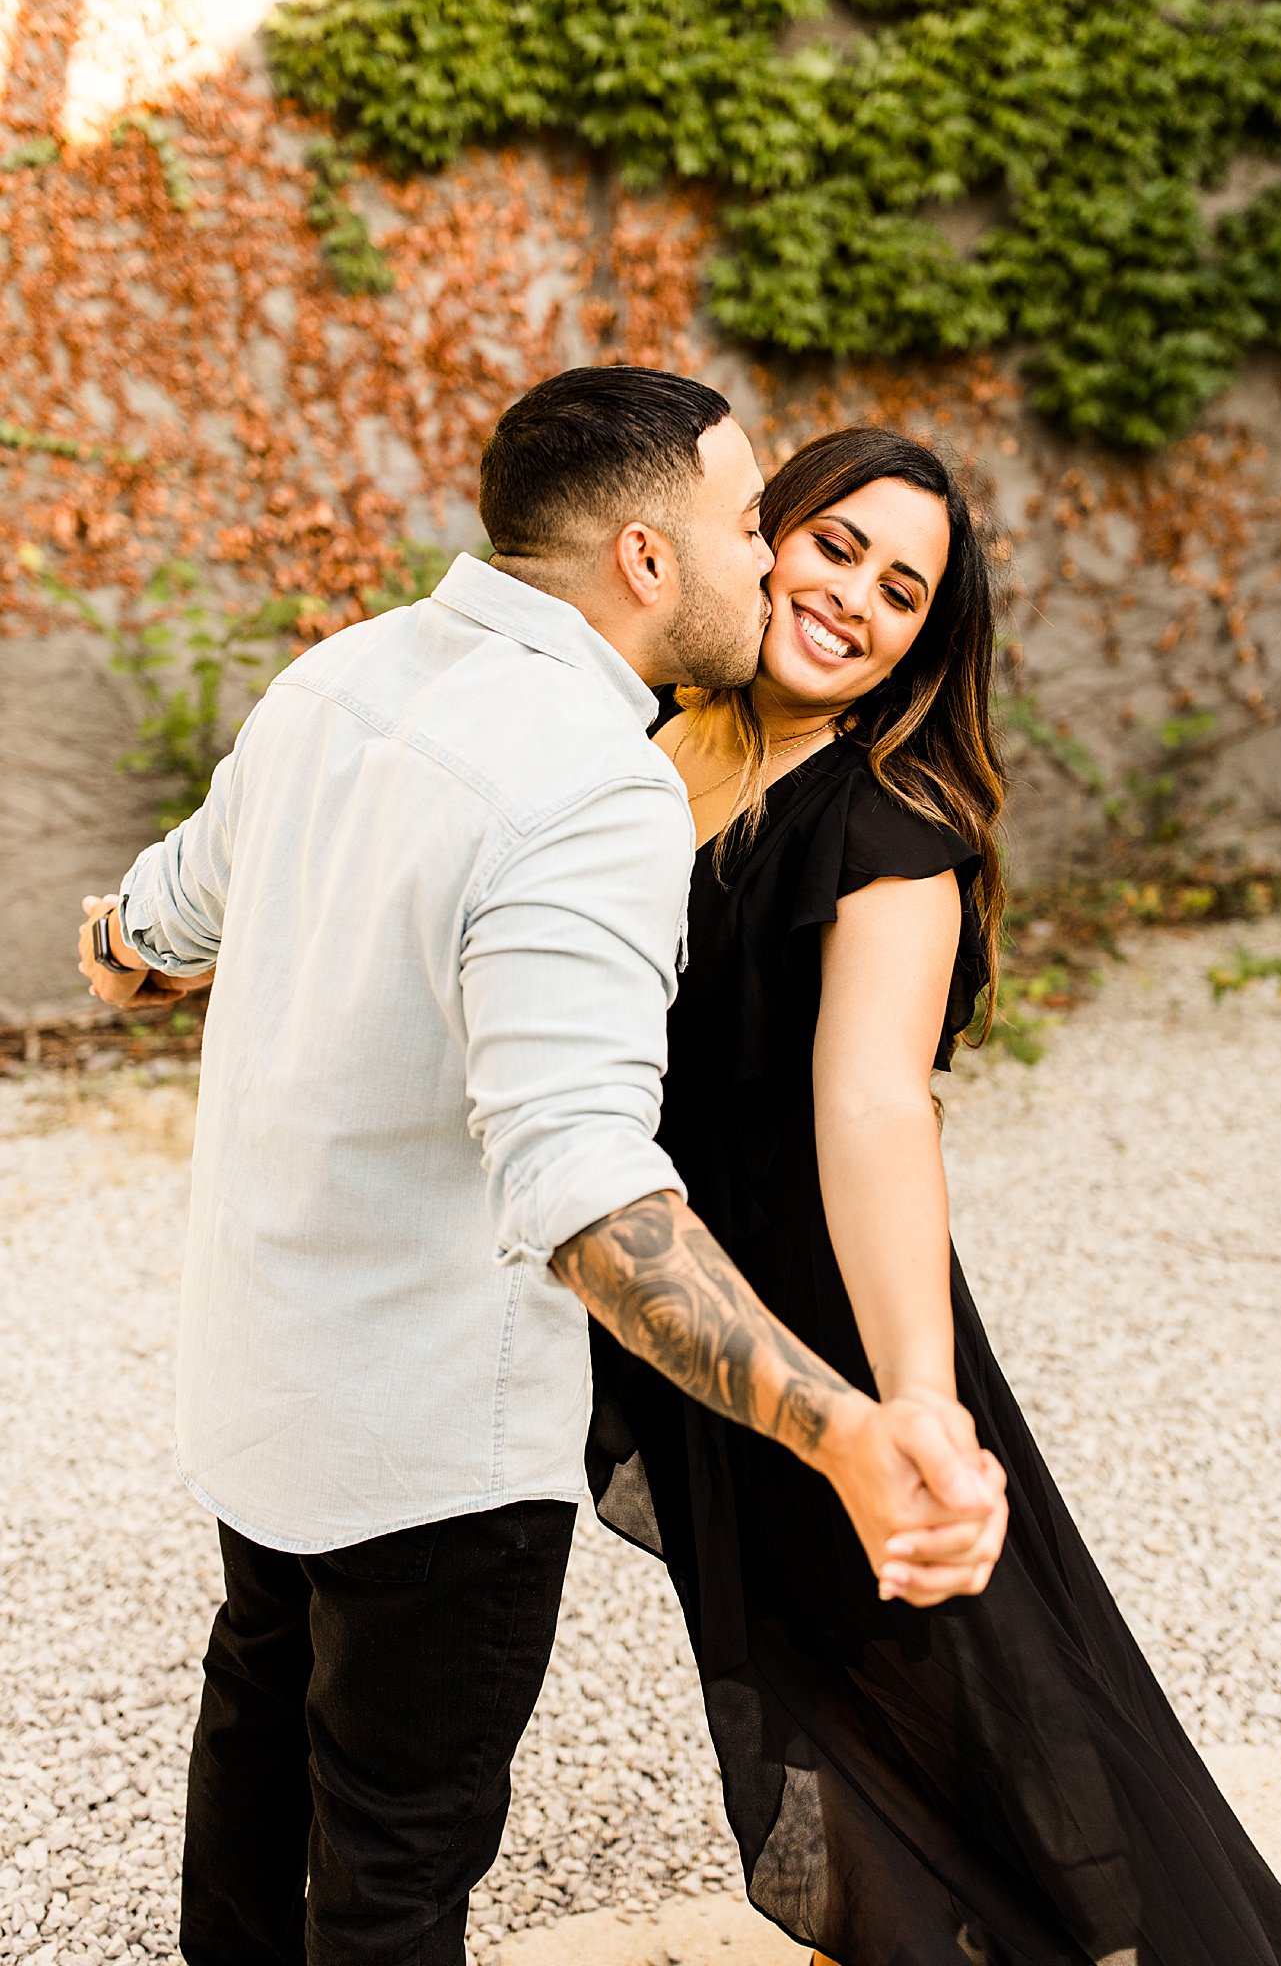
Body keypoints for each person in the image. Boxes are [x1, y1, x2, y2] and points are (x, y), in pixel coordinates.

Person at [74, 369, 1008, 1966]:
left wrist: (155, 954)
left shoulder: (336, 678)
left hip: (260, 1386)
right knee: (391, 1859)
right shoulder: (595, 786)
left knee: (255, 1752)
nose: (773, 563)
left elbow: (142, 934)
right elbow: (580, 1182)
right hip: (435, 1441)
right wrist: (846, 1432)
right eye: (748, 524)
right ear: (647, 561)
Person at [589, 425, 1281, 1966]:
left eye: (904, 589)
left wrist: (916, 1403)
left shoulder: (886, 835)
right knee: (808, 1670)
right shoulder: (648, 737)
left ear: (926, 643)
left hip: (826, 1309)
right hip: (670, 1276)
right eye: (834, 545)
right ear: (760, 538)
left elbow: (873, 1103)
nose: (855, 597)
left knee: (956, 1675)